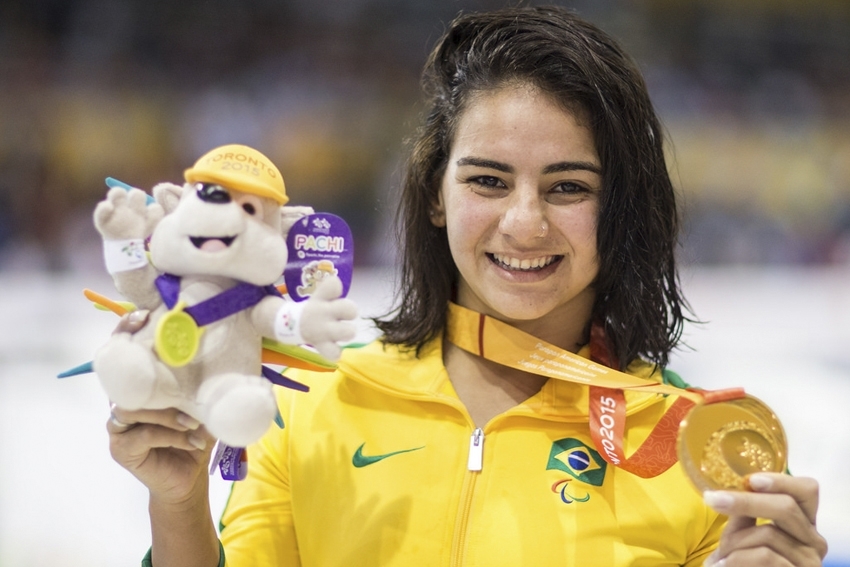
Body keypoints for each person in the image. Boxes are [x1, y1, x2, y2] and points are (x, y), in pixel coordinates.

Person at [106, 5, 828, 566]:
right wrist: (177, 502)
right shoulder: (313, 402)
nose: (524, 223)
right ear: (435, 194)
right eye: (487, 179)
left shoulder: (694, 452)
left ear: (621, 208)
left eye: (568, 187)